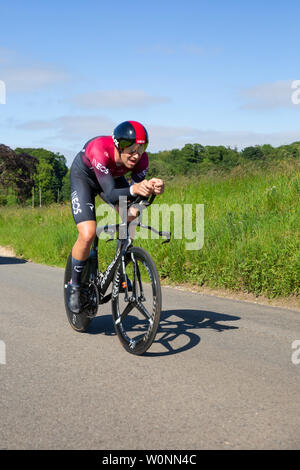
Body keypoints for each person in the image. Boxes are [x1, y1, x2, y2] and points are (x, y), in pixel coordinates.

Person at [67, 120, 164, 313]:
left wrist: (152, 188)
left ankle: (120, 268)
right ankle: (75, 286)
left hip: (110, 177)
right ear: (118, 145)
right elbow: (111, 193)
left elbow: (136, 196)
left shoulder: (142, 161)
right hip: (85, 178)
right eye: (132, 150)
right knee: (87, 233)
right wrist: (134, 187)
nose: (136, 155)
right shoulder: (99, 149)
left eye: (141, 149)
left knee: (131, 215)